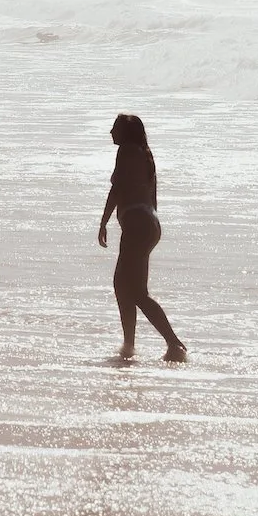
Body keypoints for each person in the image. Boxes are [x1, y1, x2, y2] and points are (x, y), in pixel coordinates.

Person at [97, 113, 186, 362]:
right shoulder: (144, 153)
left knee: (130, 289)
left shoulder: (127, 150)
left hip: (137, 224)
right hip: (147, 224)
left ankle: (173, 344)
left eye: (114, 128)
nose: (110, 133)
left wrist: (103, 221)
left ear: (125, 132)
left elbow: (117, 189)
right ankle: (130, 347)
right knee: (129, 288)